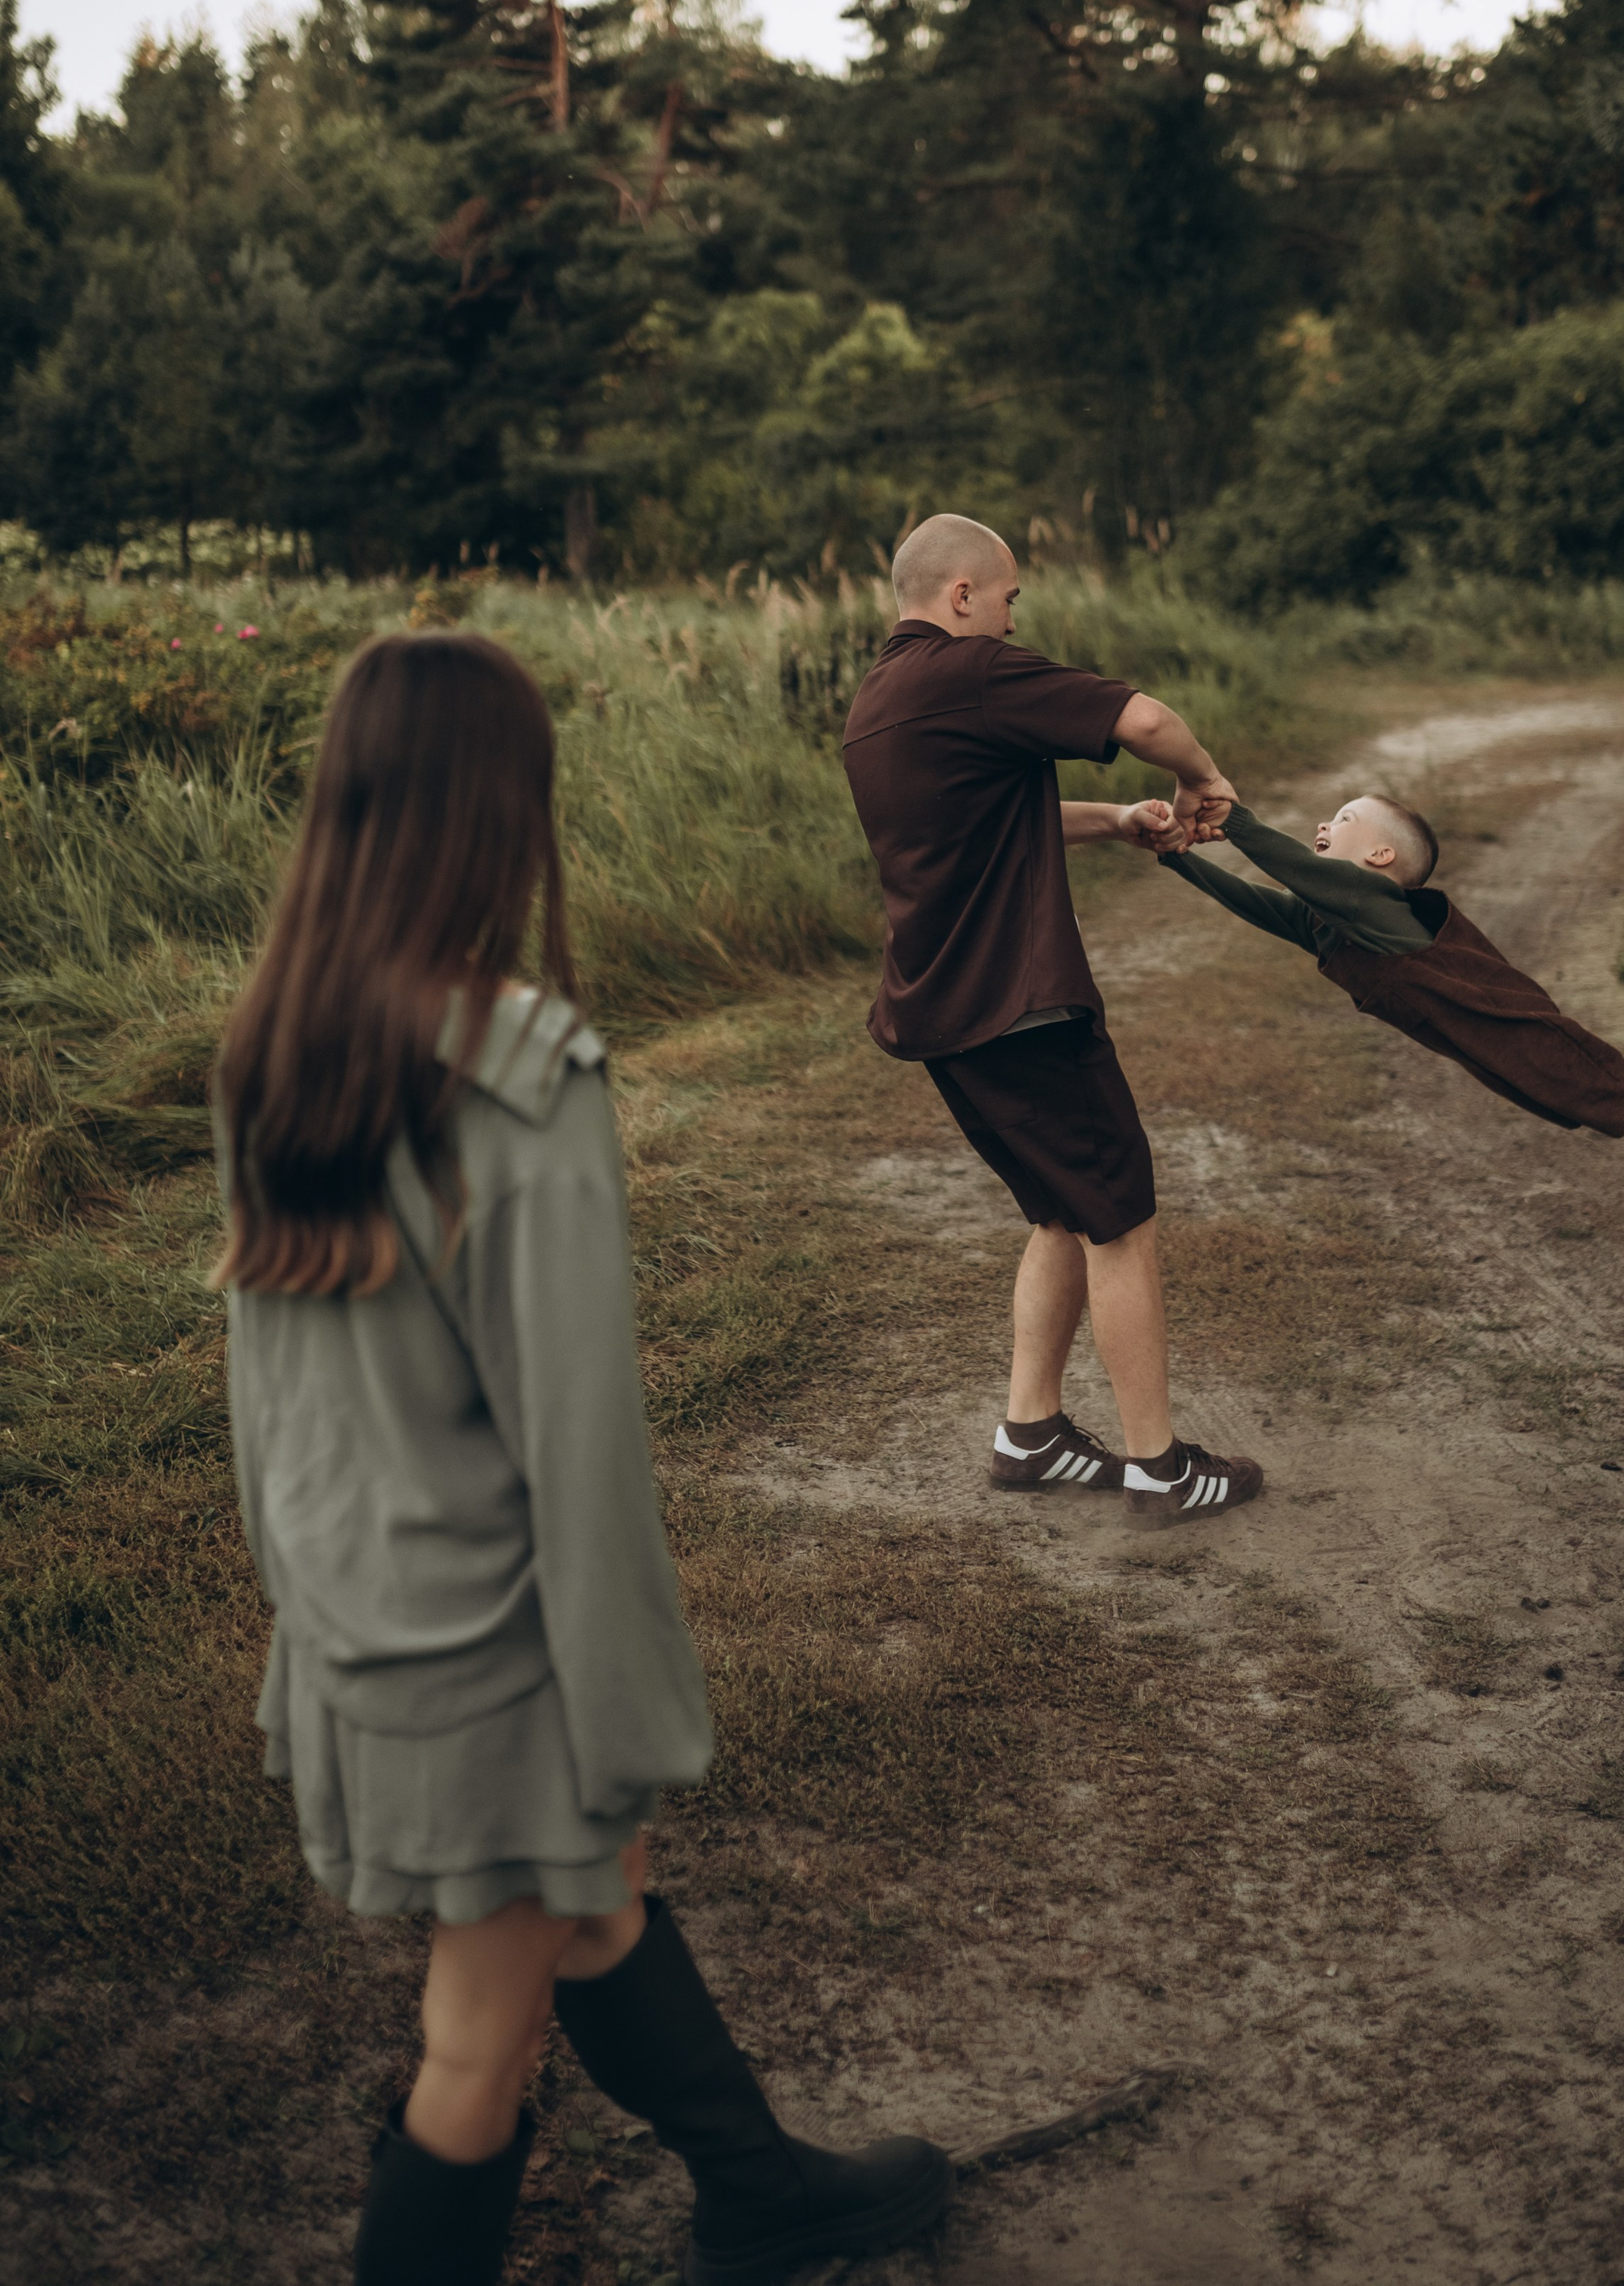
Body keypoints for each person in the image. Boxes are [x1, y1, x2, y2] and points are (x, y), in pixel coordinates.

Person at [216, 632, 951, 2286]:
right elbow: (581, 1446)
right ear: (504, 813)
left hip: (356, 1616)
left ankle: (759, 2191)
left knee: (593, 1904)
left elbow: (277, 1410)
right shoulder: (516, 1072)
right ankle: (752, 2199)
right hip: (488, 1650)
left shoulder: (273, 1050)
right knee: (474, 2047)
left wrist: (300, 1633)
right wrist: (623, 1721)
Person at [841, 513, 1265, 1527]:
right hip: (1020, 1011)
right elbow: (1148, 721)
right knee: (1118, 1213)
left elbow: (988, 819)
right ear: (960, 596)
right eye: (1007, 598)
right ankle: (1160, 1468)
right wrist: (1200, 778)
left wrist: (1116, 819)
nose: (1008, 616)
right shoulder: (970, 672)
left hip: (944, 1015)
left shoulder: (877, 705)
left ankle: (1029, 1436)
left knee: (1061, 1211)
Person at [1159, 788, 1624, 1179]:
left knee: (1579, 1072)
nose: (1323, 822)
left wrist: (1236, 822)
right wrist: (1178, 856)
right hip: (1460, 1031)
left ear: (1378, 859)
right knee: (1547, 1090)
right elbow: (1259, 902)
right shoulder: (1329, 921)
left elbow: (1298, 871)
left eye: (1343, 819)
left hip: (1495, 1011)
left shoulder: (1374, 903)